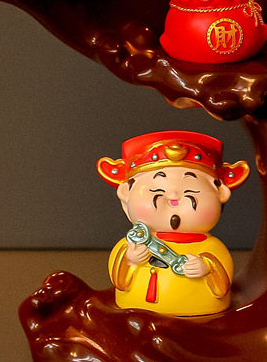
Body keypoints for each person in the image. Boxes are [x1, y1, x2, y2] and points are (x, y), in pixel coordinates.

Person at [98, 131, 249, 315]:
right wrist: (131, 259)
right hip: (137, 313)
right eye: (157, 191)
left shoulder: (211, 247)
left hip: (200, 314)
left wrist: (207, 267)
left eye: (191, 192)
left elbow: (222, 281)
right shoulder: (135, 241)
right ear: (126, 193)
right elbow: (119, 278)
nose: (174, 197)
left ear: (220, 193)